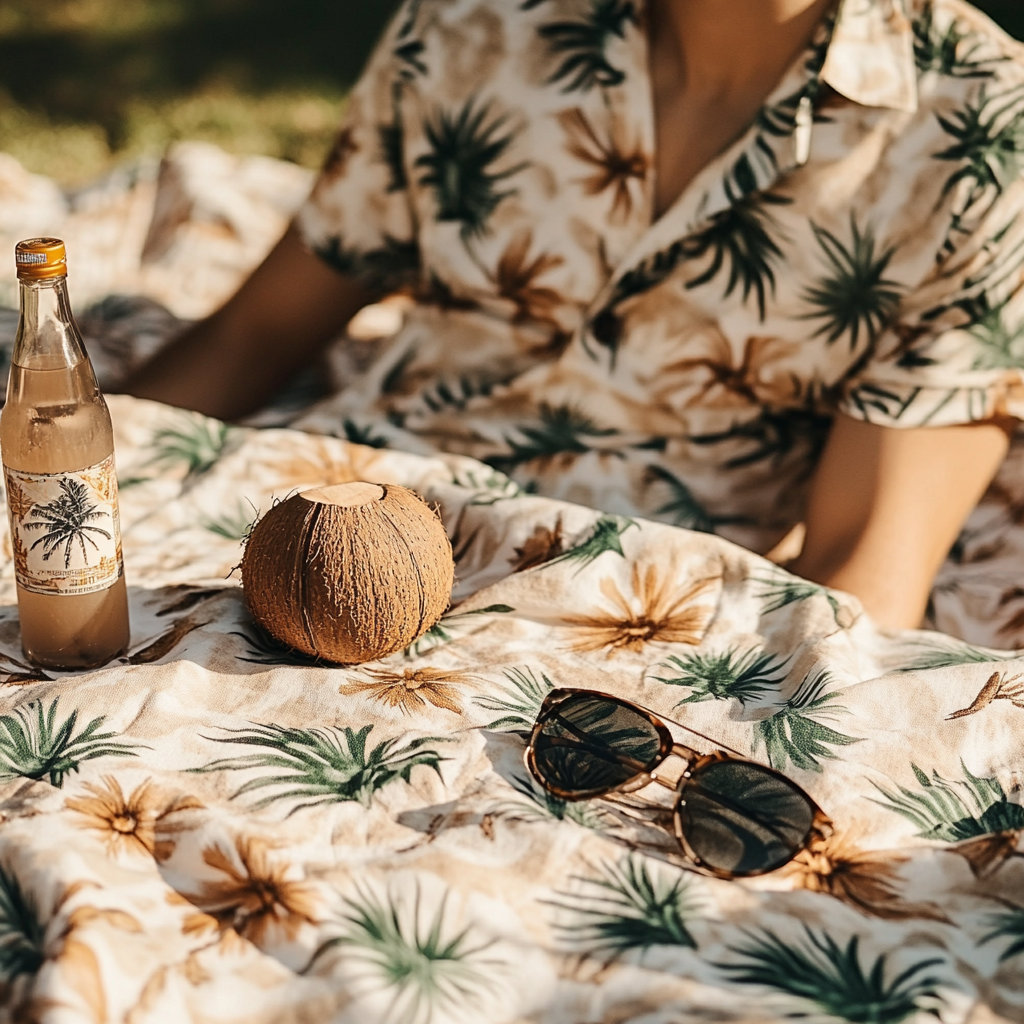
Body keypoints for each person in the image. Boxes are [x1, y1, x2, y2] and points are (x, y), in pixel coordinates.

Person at [125, 0, 1024, 634]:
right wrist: (78, 463)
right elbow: (256, 332)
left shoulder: (984, 133)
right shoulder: (473, 24)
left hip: (630, 618)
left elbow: (862, 572)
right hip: (334, 515)